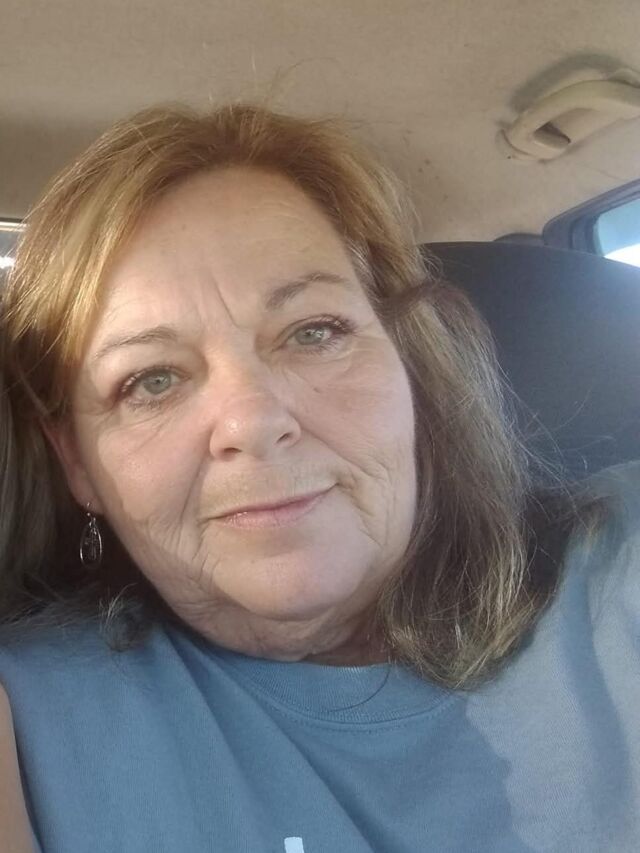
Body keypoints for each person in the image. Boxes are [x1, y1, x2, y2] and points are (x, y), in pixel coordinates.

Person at [0, 102, 638, 853]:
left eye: (314, 331)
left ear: (410, 365)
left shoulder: (619, 572)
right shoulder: (30, 721)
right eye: (152, 380)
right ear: (77, 462)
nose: (253, 419)